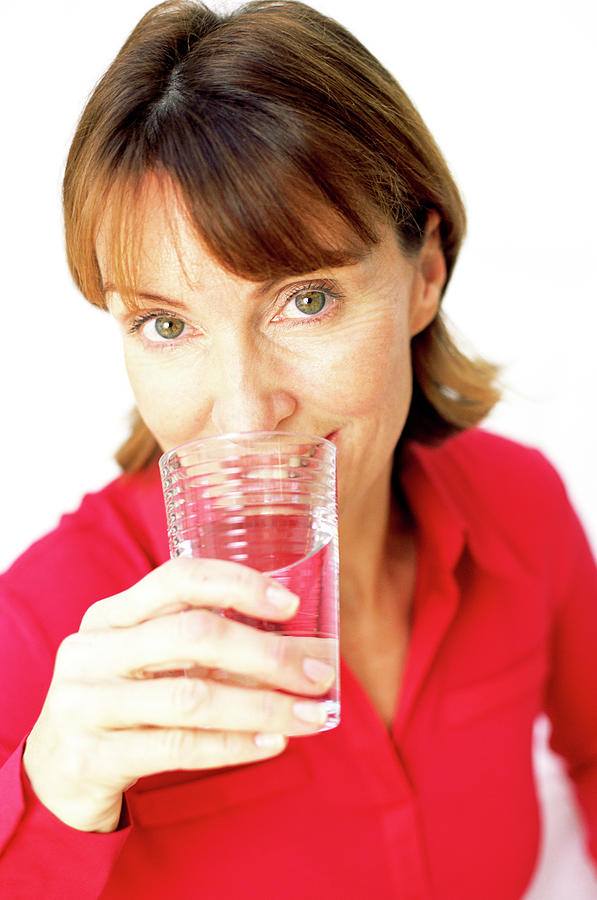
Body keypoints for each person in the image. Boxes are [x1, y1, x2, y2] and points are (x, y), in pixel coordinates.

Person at [0, 1, 595, 897]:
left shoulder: (519, 502)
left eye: (305, 299)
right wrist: (52, 797)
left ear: (425, 272)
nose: (242, 411)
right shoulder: (48, 625)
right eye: (166, 322)